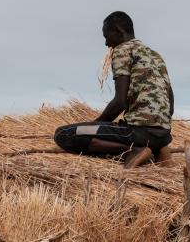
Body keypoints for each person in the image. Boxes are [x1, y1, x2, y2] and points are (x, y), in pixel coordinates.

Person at [53, 11, 174, 167]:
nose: (106, 44)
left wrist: (95, 124)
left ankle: (134, 150)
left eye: (106, 37)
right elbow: (170, 99)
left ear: (118, 32)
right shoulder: (155, 55)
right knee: (143, 134)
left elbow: (120, 102)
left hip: (138, 133)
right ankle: (158, 148)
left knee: (64, 134)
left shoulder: (122, 50)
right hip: (164, 134)